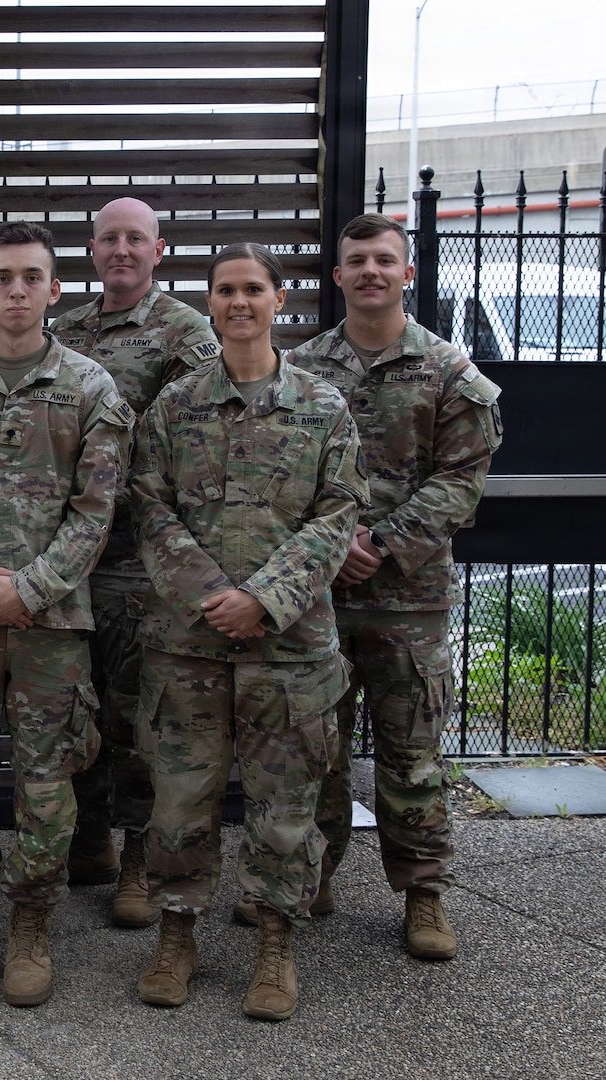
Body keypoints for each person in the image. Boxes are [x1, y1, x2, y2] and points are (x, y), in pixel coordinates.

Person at [254, 212, 500, 959]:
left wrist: (382, 544)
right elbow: (273, 475)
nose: (369, 272)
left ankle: (423, 894)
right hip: (317, 601)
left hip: (408, 599)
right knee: (313, 751)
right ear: (337, 278)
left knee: (410, 751)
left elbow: (461, 480)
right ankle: (314, 875)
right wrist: (330, 551)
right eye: (356, 261)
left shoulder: (450, 372)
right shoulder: (300, 370)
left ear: (407, 273)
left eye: (383, 260)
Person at [131, 244, 367, 1021]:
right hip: (188, 643)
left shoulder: (323, 406)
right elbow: (151, 511)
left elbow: (336, 517)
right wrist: (211, 595)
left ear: (280, 299)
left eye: (253, 289)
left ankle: (275, 944)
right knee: (179, 802)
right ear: (208, 302)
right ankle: (176, 936)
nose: (239, 302)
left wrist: (263, 601)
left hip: (290, 648)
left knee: (285, 808)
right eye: (225, 291)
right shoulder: (174, 407)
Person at [0, 222, 133, 1006]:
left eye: (30, 277)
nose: (15, 290)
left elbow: (95, 511)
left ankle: (32, 924)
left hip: (52, 628)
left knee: (47, 783)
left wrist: (30, 589)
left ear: (54, 289)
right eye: (1, 278)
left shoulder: (91, 388)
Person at [50, 198, 220, 926]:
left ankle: (139, 861)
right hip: (67, 558)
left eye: (135, 239)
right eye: (109, 238)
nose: (122, 249)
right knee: (73, 710)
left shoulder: (186, 334)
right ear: (92, 250)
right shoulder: (68, 332)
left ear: (159, 249)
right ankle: (87, 841)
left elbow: (200, 438)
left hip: (137, 562)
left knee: (137, 716)